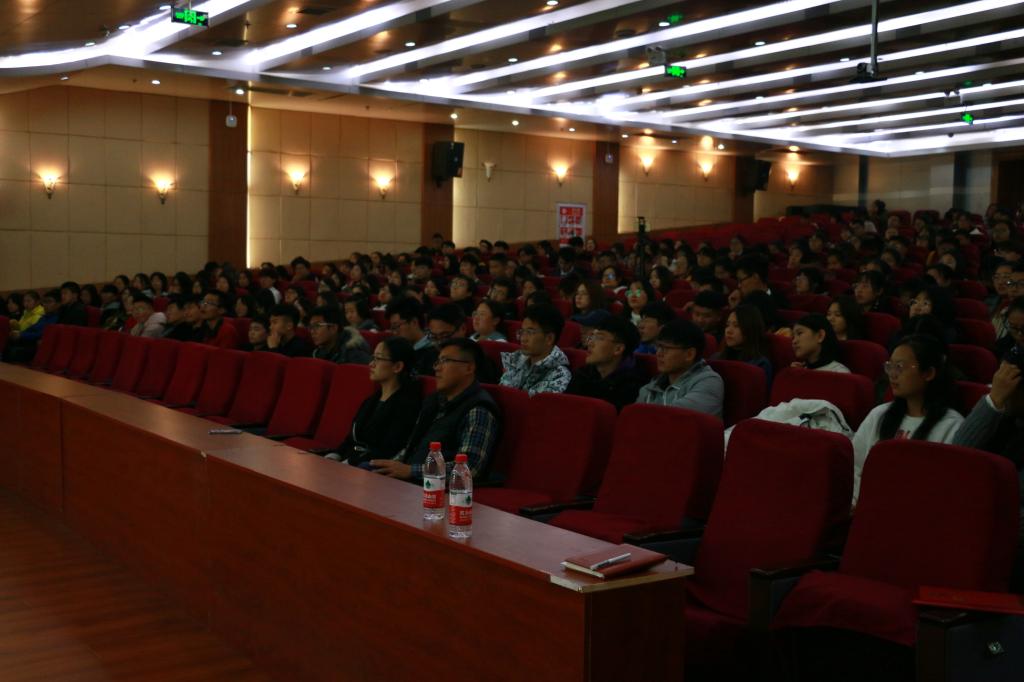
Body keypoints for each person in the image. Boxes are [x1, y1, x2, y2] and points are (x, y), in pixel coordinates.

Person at [851, 334, 963, 504]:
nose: (892, 374)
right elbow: (855, 466)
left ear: (929, 373)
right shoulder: (879, 414)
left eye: (900, 367)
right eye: (890, 366)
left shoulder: (951, 426)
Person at [370, 339, 500, 483]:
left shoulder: (478, 410)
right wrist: (389, 466)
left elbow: (469, 468)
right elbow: (411, 448)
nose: (437, 368)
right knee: (366, 471)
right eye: (437, 362)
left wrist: (411, 471)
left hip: (435, 488)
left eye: (445, 361)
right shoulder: (434, 401)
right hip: (412, 481)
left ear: (469, 368)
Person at [953, 357, 1024, 589]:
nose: (1002, 392)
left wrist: (982, 521)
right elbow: (958, 454)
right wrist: (993, 402)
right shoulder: (1003, 420)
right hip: (979, 530)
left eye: (1008, 387)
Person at [333, 337, 423, 464]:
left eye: (378, 359)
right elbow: (351, 438)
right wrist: (336, 454)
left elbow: (388, 450)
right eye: (373, 358)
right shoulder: (372, 399)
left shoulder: (408, 406)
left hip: (370, 468)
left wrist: (349, 462)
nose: (371, 364)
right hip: (351, 460)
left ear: (397, 366)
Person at [636, 319, 724, 418]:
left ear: (689, 354)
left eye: (666, 348)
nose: (658, 353)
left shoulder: (709, 382)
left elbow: (676, 419)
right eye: (658, 347)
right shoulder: (652, 386)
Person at [567, 316, 646, 412]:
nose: (590, 343)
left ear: (618, 349)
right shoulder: (581, 374)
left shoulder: (633, 387)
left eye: (599, 338)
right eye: (592, 337)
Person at [500, 303, 572, 396]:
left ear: (549, 338)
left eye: (530, 332)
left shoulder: (560, 376)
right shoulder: (515, 359)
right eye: (522, 331)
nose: (523, 339)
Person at [715, 305, 773, 384]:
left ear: (750, 330)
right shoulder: (716, 358)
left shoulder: (760, 364)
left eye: (736, 326)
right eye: (727, 325)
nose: (729, 331)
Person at [4, 290, 60, 363]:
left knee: (12, 352)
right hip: (27, 340)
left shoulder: (55, 318)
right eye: (45, 302)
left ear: (58, 304)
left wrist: (21, 335)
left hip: (34, 343)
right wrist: (19, 333)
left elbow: (41, 333)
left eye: (49, 302)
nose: (46, 305)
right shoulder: (43, 317)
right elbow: (32, 328)